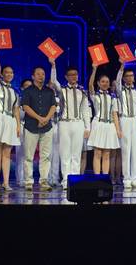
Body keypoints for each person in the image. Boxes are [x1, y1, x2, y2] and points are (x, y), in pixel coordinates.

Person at [50, 59, 91, 189]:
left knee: (76, 154)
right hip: (64, 123)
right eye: (71, 75)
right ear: (66, 77)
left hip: (78, 123)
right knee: (65, 153)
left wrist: (87, 127)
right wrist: (53, 66)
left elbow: (85, 110)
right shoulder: (61, 90)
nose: (74, 77)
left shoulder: (82, 91)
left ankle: (75, 179)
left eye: (75, 74)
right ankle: (66, 180)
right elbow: (53, 81)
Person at [0, 43, 21, 191]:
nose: (9, 74)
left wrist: (18, 125)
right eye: (6, 72)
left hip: (10, 121)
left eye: (11, 73)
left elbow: (16, 110)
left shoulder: (15, 92)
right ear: (2, 74)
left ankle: (6, 183)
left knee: (7, 153)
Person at [21, 67, 57, 191]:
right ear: (33, 76)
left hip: (47, 127)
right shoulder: (28, 91)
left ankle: (44, 181)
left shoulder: (49, 91)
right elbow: (25, 107)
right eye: (38, 74)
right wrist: (39, 118)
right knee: (28, 156)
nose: (41, 76)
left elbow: (53, 106)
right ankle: (28, 181)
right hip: (31, 126)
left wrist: (46, 119)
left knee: (45, 156)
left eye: (43, 74)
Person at [116, 59, 136, 189]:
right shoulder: (120, 91)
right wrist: (121, 67)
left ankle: (135, 178)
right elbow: (117, 81)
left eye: (131, 76)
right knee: (126, 150)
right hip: (125, 120)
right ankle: (126, 179)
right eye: (127, 76)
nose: (129, 78)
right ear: (124, 78)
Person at [87, 64, 122, 174]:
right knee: (97, 153)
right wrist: (94, 70)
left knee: (107, 153)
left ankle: (105, 177)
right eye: (102, 81)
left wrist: (118, 130)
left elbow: (114, 114)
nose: (105, 83)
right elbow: (90, 86)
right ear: (98, 83)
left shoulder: (112, 98)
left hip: (109, 126)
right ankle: (98, 177)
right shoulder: (95, 96)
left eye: (107, 82)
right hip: (98, 124)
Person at [16, 79, 32, 187]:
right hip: (21, 126)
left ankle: (28, 178)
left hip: (32, 128)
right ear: (22, 88)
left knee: (29, 155)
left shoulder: (36, 100)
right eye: (26, 86)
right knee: (20, 154)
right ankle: (20, 179)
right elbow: (18, 114)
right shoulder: (19, 100)